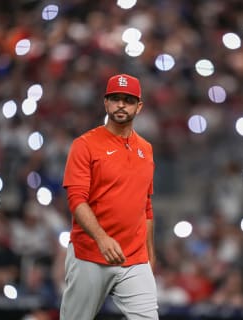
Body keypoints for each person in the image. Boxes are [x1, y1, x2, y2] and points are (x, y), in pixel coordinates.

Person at [59, 74, 158, 320]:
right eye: (115, 99)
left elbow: (146, 206)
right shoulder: (85, 145)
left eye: (128, 99)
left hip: (134, 259)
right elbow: (76, 200)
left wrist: (149, 254)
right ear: (106, 103)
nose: (121, 105)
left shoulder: (146, 149)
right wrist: (102, 238)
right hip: (90, 254)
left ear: (139, 106)